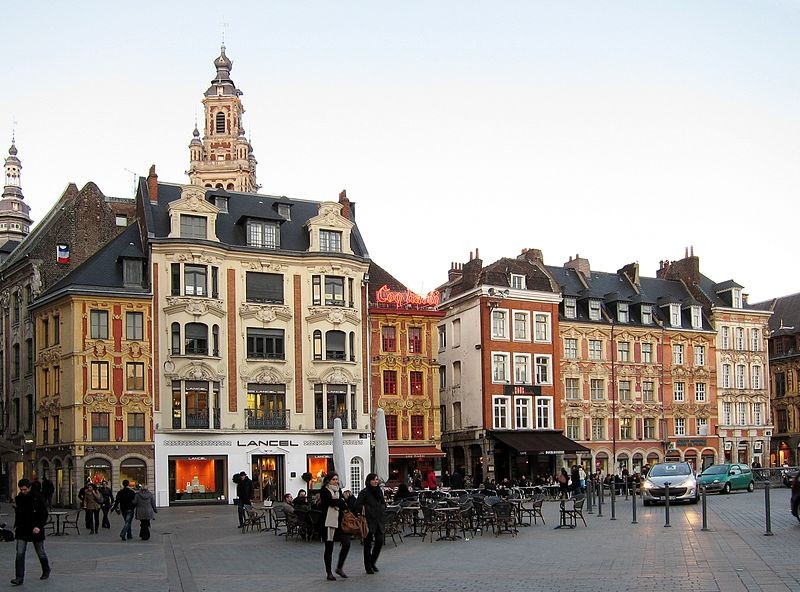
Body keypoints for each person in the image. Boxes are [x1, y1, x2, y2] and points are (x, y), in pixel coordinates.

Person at [10, 478, 50, 586]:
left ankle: (46, 569)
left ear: (29, 487)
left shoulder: (38, 497)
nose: (23, 491)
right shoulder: (19, 499)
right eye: (21, 490)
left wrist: (39, 526)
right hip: (22, 529)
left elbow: (44, 514)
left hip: (35, 529)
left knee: (40, 552)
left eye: (25, 489)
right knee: (19, 553)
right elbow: (19, 514)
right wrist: (16, 526)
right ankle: (19, 577)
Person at [317, 472, 352, 581]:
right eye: (333, 479)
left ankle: (339, 567)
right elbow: (329, 502)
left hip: (340, 521)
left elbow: (341, 503)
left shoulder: (338, 490)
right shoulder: (324, 490)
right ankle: (329, 572)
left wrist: (339, 501)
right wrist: (339, 501)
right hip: (328, 522)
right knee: (329, 548)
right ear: (328, 481)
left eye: (337, 479)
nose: (336, 481)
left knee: (346, 543)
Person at [354, 473, 386, 575]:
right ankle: (368, 566)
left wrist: (382, 508)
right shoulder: (364, 492)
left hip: (378, 520)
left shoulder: (379, 491)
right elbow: (357, 505)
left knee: (380, 541)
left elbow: (383, 503)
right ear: (369, 481)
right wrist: (367, 510)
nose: (376, 481)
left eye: (377, 480)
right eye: (373, 480)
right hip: (368, 521)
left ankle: (372, 561)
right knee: (367, 544)